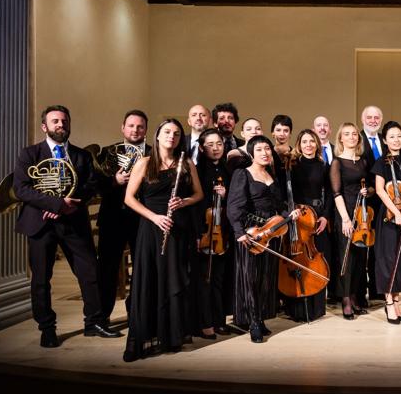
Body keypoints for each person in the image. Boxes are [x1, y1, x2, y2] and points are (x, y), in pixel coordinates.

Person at [13, 105, 119, 347]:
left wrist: (66, 205)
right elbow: (21, 189)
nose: (60, 125)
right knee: (41, 279)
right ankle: (47, 328)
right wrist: (56, 203)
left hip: (73, 222)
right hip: (41, 223)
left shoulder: (81, 156)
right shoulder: (29, 154)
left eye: (64, 121)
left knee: (90, 272)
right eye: (55, 121)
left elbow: (91, 185)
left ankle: (94, 322)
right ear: (45, 126)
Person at [122, 118, 204, 361]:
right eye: (167, 132)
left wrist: (184, 201)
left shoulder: (186, 163)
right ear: (157, 135)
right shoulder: (145, 163)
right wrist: (155, 218)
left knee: (173, 280)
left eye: (177, 133)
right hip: (151, 228)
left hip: (177, 229)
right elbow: (129, 198)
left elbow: (198, 194)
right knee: (149, 280)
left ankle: (171, 337)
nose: (172, 136)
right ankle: (143, 339)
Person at [227, 135, 296, 343]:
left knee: (266, 278)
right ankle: (253, 322)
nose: (265, 153)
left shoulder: (271, 174)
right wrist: (240, 232)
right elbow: (234, 206)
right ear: (251, 153)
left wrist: (288, 215)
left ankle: (262, 318)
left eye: (267, 149)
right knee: (251, 279)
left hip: (271, 232)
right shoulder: (243, 174)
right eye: (259, 150)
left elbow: (280, 204)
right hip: (251, 233)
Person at [95, 109, 149, 322]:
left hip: (142, 219)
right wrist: (113, 181)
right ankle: (102, 317)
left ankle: (135, 312)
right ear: (123, 128)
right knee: (106, 270)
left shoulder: (154, 152)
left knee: (142, 269)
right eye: (131, 126)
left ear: (146, 129)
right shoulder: (107, 152)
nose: (135, 130)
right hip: (113, 220)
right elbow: (96, 186)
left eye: (140, 126)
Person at [372, 121, 401, 325]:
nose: (396, 140)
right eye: (391, 136)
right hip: (389, 216)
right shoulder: (381, 162)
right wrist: (395, 212)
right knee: (389, 260)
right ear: (385, 140)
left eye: (399, 136)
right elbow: (381, 190)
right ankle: (389, 303)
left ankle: (397, 301)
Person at [284, 129, 332, 322]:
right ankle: (296, 308)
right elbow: (286, 193)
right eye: (305, 142)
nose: (309, 145)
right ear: (299, 144)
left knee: (317, 260)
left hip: (318, 217)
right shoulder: (291, 165)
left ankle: (317, 307)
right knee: (298, 260)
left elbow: (329, 193)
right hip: (299, 218)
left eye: (312, 141)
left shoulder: (323, 165)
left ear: (317, 144)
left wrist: (326, 217)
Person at [330, 123, 372, 320]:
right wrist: (346, 219)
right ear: (340, 139)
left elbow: (371, 187)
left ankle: (355, 295)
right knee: (346, 259)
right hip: (345, 214)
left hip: (362, 215)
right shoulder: (337, 162)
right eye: (347, 134)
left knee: (359, 258)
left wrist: (367, 191)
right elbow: (336, 193)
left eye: (354, 134)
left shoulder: (363, 161)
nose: (352, 137)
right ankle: (345, 299)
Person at [193, 129, 230, 339]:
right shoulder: (197, 170)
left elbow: (234, 201)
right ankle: (205, 322)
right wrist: (198, 233)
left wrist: (226, 194)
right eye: (210, 144)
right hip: (204, 232)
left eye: (219, 144)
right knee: (204, 280)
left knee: (218, 279)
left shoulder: (228, 170)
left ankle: (219, 320)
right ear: (201, 147)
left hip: (222, 234)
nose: (215, 148)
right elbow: (195, 206)